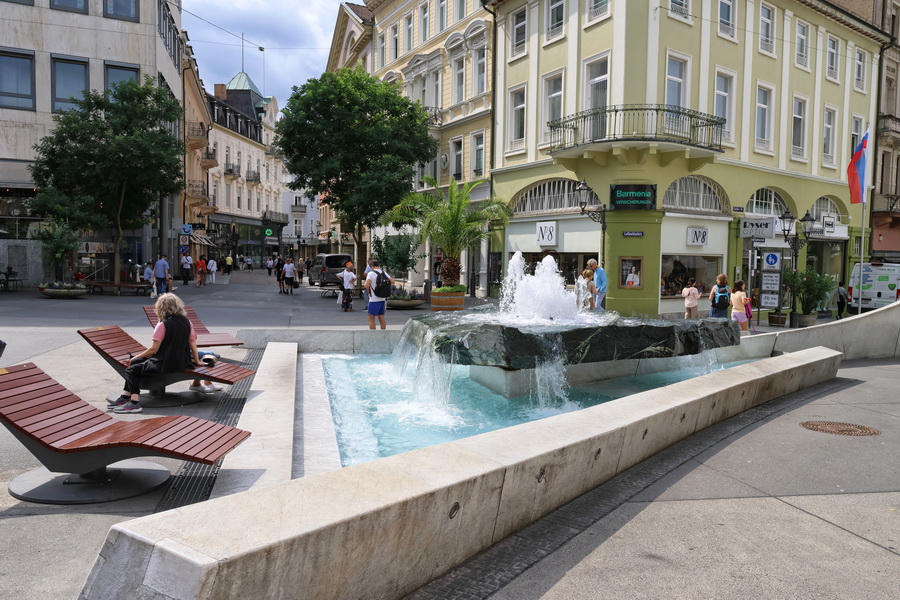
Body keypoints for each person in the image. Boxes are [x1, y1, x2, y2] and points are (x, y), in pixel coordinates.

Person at [107, 293, 204, 413]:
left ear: (161, 307)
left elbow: (154, 349)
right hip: (182, 362)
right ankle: (126, 396)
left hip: (165, 364)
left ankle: (134, 403)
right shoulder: (187, 322)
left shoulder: (163, 324)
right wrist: (197, 361)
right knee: (137, 363)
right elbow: (193, 343)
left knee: (131, 370)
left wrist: (135, 357)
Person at [364, 259, 394, 330]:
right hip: (382, 299)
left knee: (371, 319)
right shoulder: (384, 273)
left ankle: (373, 335)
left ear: (371, 266)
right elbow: (392, 281)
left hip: (374, 300)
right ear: (378, 265)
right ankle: (383, 333)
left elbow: (366, 285)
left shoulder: (370, 273)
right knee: (382, 318)